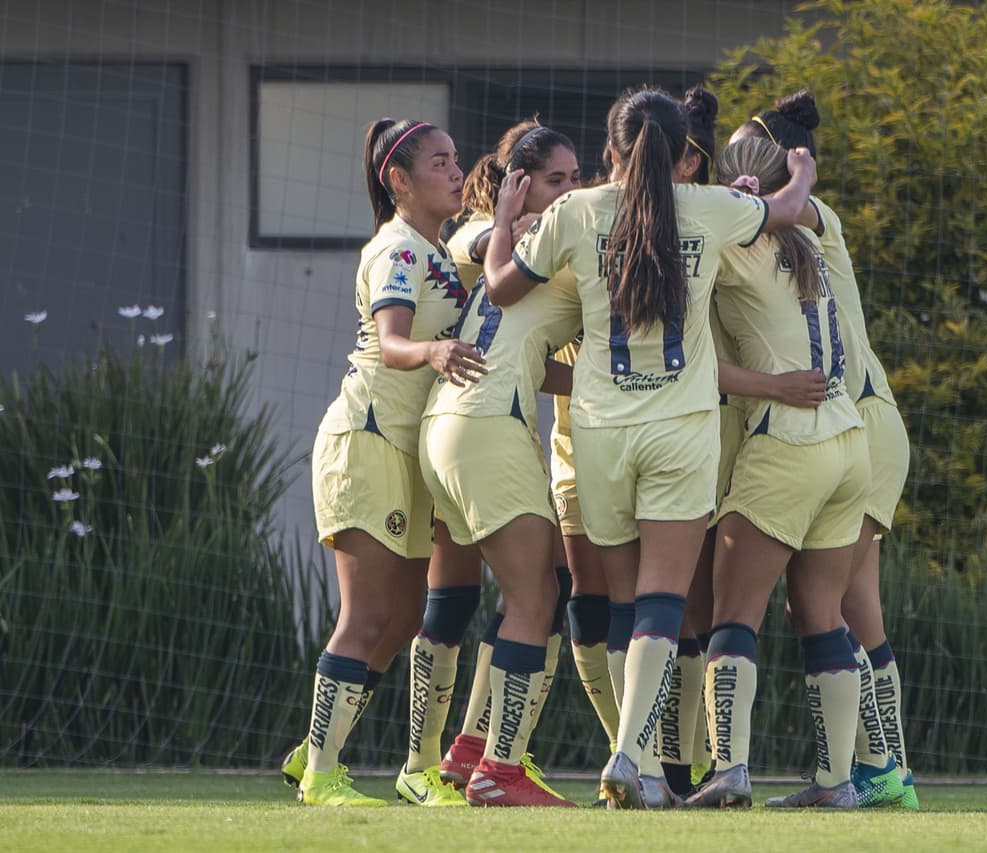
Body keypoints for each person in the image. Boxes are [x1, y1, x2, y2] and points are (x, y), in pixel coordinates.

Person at [483, 86, 818, 809]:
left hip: (600, 430)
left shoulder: (576, 211)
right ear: (683, 156)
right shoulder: (708, 207)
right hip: (681, 428)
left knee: (625, 603)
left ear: (611, 151)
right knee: (666, 602)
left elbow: (504, 288)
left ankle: (636, 761)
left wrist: (506, 220)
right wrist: (800, 174)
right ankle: (632, 756)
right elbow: (788, 212)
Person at [291, 118, 485, 807]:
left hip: (406, 451)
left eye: (457, 160)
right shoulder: (398, 249)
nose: (456, 172)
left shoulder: (436, 248)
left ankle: (319, 741)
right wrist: (433, 352)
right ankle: (321, 772)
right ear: (398, 181)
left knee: (404, 618)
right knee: (369, 616)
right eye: (439, 163)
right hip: (366, 441)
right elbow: (394, 341)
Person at [733, 91, 917, 809]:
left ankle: (884, 768)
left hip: (856, 421)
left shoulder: (812, 217)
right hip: (852, 421)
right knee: (821, 605)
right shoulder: (779, 233)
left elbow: (792, 206)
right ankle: (876, 769)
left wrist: (763, 185)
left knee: (845, 604)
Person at [679, 136, 870, 810]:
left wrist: (772, 385)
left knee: (733, 613)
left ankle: (728, 769)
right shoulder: (814, 240)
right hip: (850, 442)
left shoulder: (731, 245)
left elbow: (684, 361)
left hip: (786, 438)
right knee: (820, 612)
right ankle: (836, 783)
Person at [420, 119, 583, 807]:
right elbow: (485, 242)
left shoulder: (497, 238)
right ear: (518, 182)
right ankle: (501, 771)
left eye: (578, 178)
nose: (572, 190)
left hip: (451, 426)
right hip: (485, 427)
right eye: (558, 179)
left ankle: (469, 750)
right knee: (535, 597)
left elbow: (530, 359)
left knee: (545, 581)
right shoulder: (514, 238)